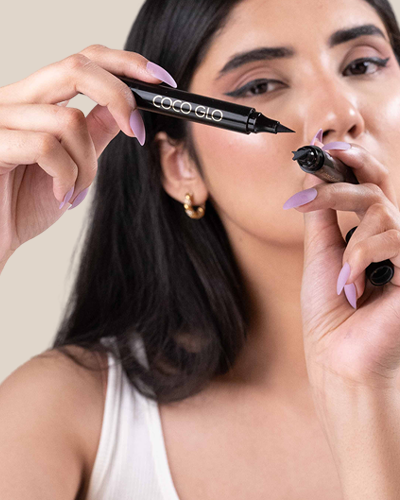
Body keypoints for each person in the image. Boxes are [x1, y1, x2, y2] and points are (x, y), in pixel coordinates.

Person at [1, 0, 400, 498]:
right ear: (180, 166)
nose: (341, 113)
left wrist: (367, 396)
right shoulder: (62, 414)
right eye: (260, 85)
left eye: (362, 65)